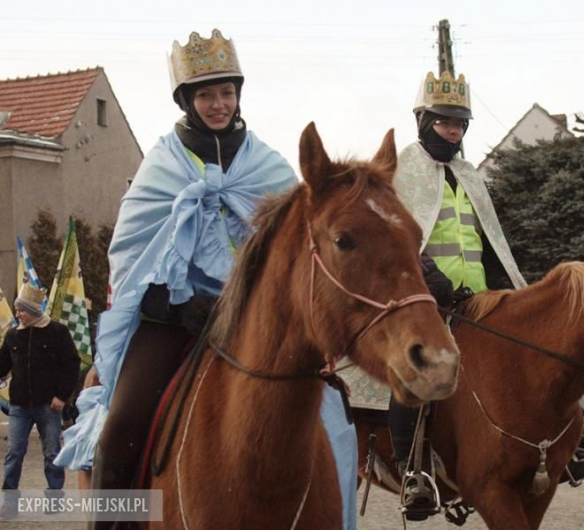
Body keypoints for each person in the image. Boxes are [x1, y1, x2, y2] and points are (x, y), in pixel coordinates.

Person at [53, 29, 357, 529]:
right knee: (123, 422)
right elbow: (130, 262)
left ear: (239, 95)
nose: (219, 104)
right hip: (174, 322)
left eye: (227, 92)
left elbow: (298, 256)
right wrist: (177, 306)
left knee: (332, 417)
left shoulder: (269, 167)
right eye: (206, 94)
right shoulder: (161, 168)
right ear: (187, 101)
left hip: (254, 326)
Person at [389, 71, 526, 517]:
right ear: (425, 120)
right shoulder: (404, 170)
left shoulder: (468, 173)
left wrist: (505, 287)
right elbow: (402, 238)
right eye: (446, 122)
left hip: (477, 298)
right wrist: (432, 280)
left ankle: (544, 450)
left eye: (460, 123)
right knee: (416, 372)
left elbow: (488, 239)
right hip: (426, 299)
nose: (454, 130)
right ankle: (413, 472)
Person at [0, 283, 80, 514]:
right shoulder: (13, 334)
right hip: (19, 406)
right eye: (16, 310)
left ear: (34, 311)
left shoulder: (57, 332)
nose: (17, 315)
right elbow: (3, 364)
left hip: (49, 405)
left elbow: (71, 365)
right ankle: (9, 502)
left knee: (52, 453)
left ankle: (54, 500)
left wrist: (62, 396)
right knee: (14, 452)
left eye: (21, 310)